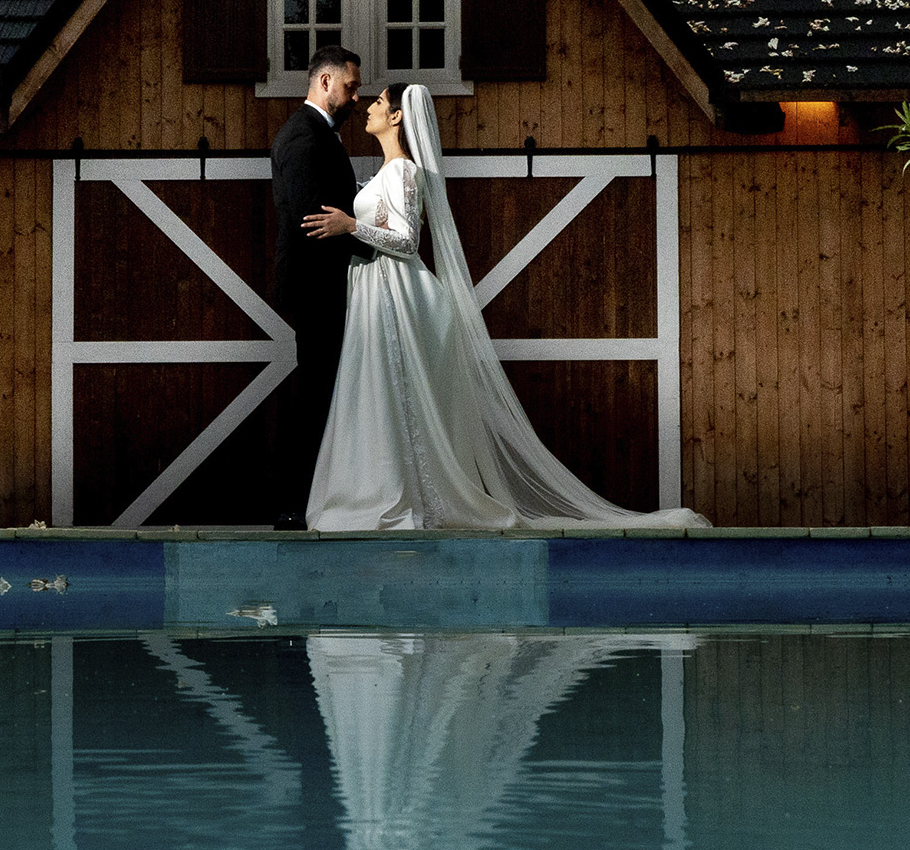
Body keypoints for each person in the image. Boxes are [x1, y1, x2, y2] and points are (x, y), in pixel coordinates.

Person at [298, 83, 707, 531]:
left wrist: (351, 226)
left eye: (377, 102)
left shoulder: (404, 171)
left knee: (395, 394)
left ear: (396, 116)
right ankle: (379, 488)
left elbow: (408, 241)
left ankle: (401, 495)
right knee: (380, 394)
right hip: (376, 290)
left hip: (399, 293)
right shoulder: (385, 173)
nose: (367, 108)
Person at [269, 46, 364, 530]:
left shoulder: (318, 134)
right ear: (325, 82)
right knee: (314, 393)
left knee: (323, 390)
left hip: (324, 282)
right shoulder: (304, 137)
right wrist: (372, 241)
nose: (356, 98)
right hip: (315, 284)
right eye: (351, 87)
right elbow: (314, 220)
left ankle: (314, 499)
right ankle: (293, 503)